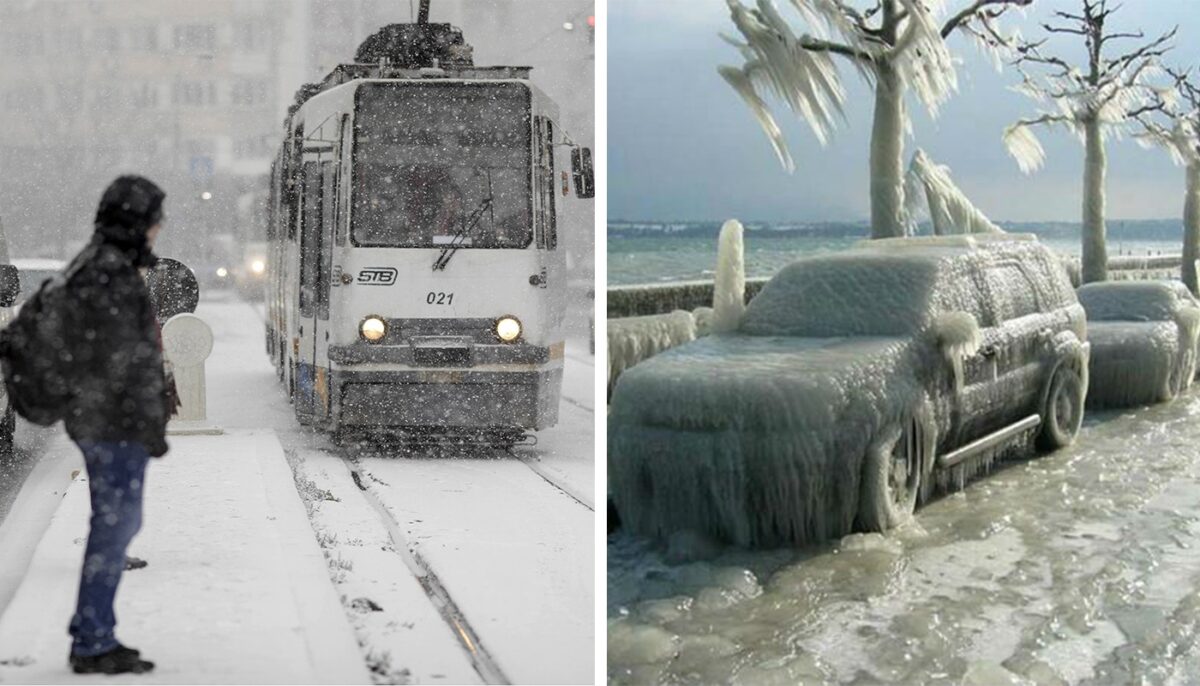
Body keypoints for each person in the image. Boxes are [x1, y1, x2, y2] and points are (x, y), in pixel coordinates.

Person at [64, 175, 170, 675]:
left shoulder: (104, 264)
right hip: (111, 423)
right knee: (114, 526)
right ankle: (91, 641)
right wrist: (140, 417)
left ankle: (92, 632)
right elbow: (113, 360)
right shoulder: (107, 272)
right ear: (136, 222)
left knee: (119, 523)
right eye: (153, 218)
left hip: (110, 419)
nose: (159, 228)